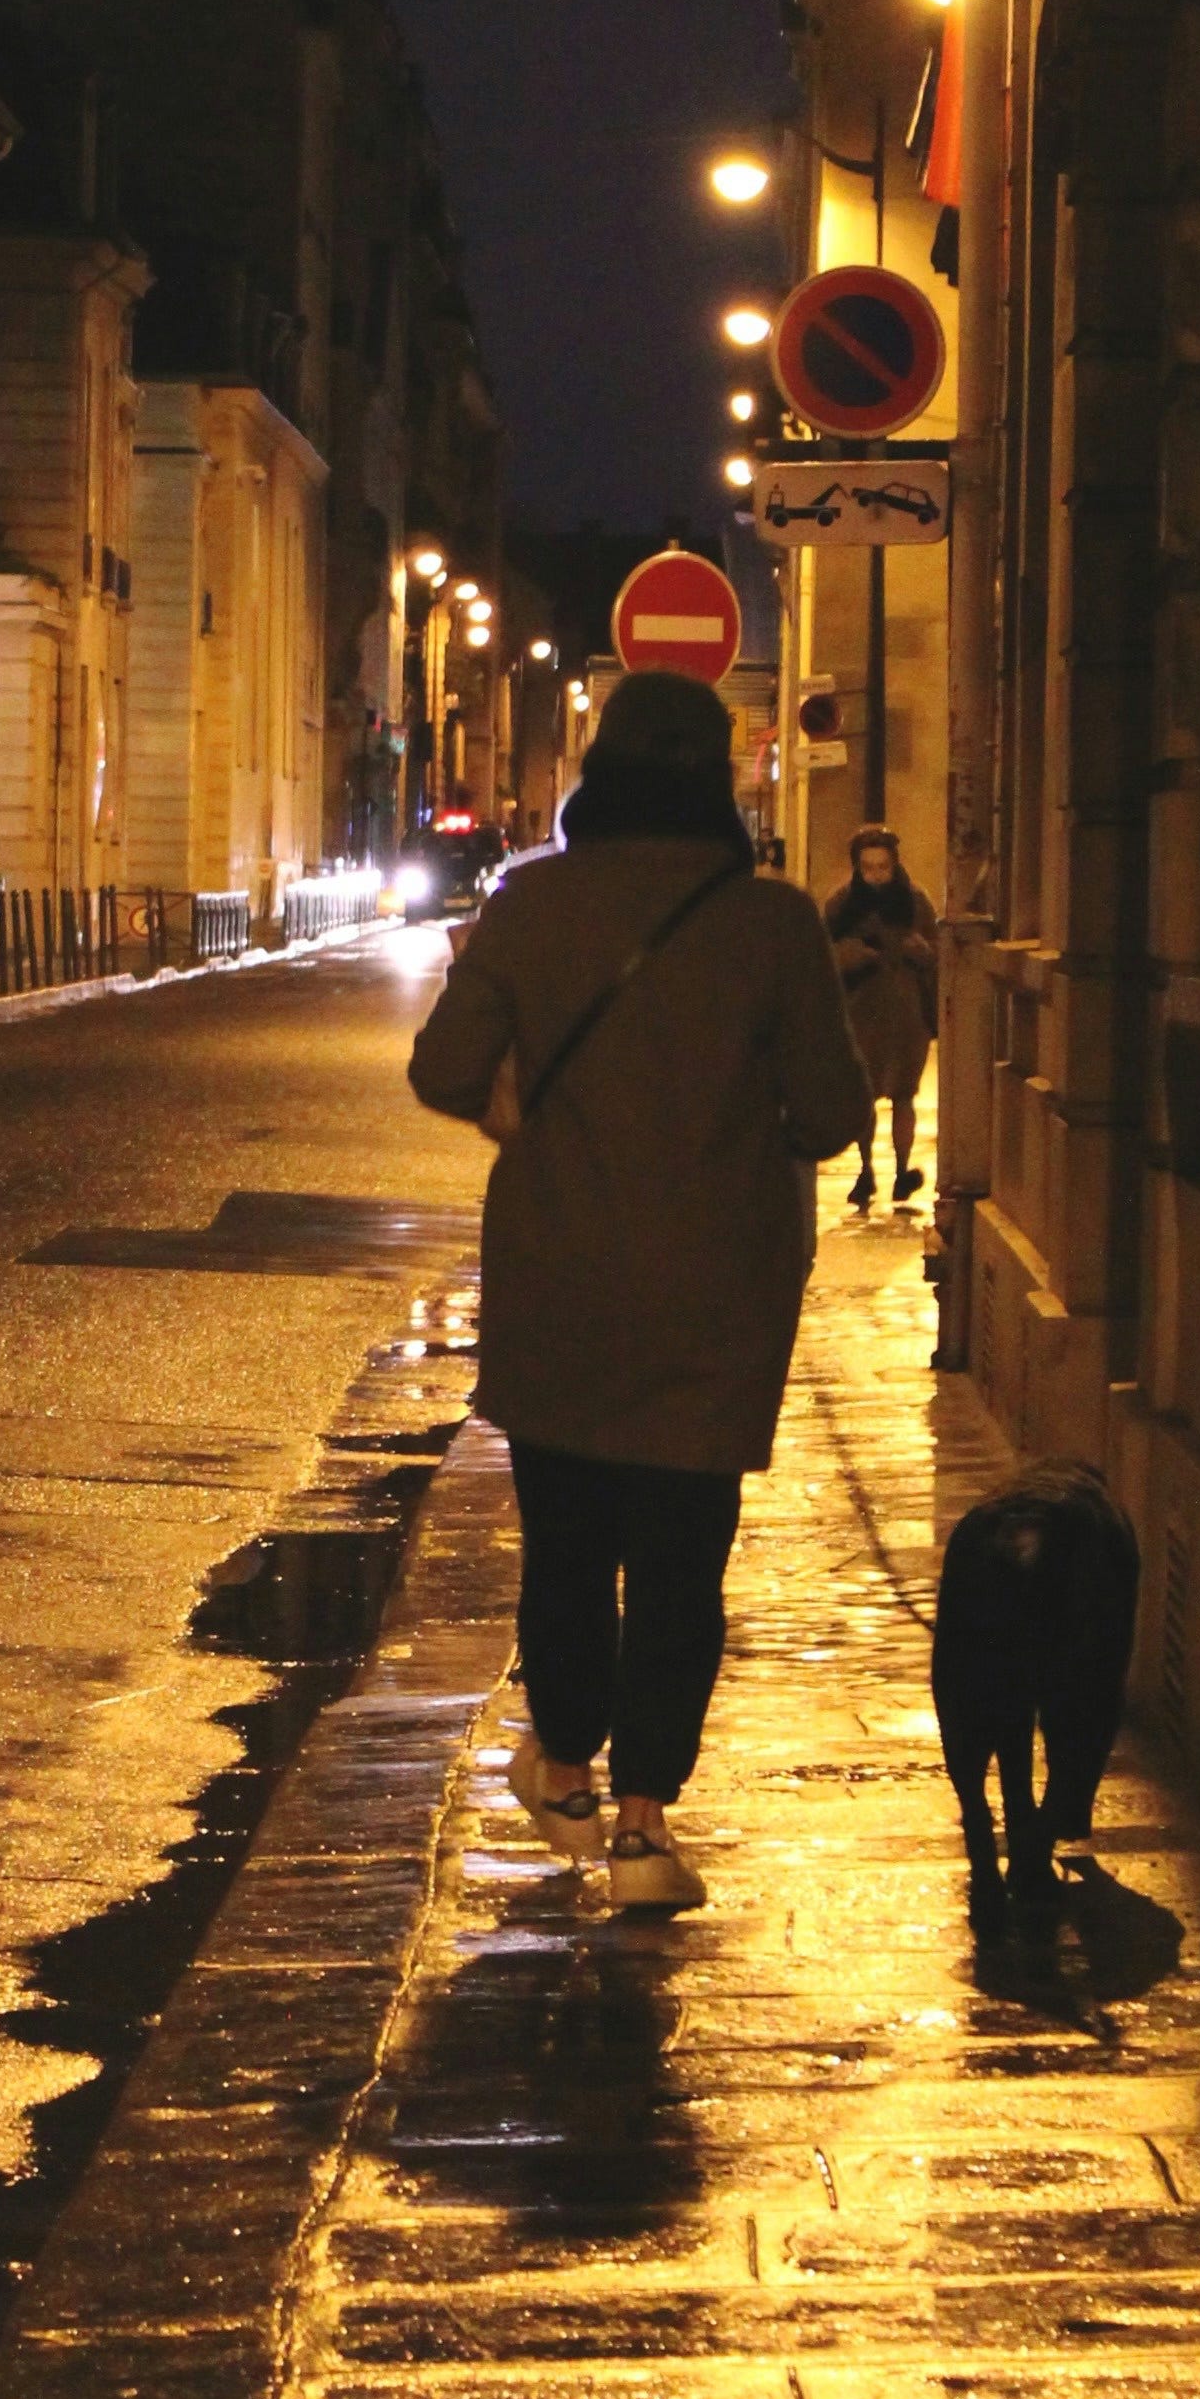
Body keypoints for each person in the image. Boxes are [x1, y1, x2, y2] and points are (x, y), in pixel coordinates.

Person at [408, 668, 870, 1911]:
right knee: (680, 1566)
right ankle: (643, 1829)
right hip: (718, 1299)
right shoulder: (773, 923)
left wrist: (524, 1112)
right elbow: (832, 1113)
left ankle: (563, 1768)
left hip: (559, 1279)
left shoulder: (532, 902)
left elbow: (444, 1065)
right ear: (717, 778)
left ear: (598, 774)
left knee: (565, 1547)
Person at [821, 824, 937, 1209]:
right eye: (868, 867)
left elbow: (939, 953)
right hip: (860, 1013)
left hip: (906, 1016)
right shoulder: (841, 904)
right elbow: (821, 956)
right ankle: (866, 1169)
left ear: (894, 864)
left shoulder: (915, 902)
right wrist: (849, 956)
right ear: (857, 866)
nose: (876, 876)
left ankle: (902, 1170)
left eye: (882, 867)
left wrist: (921, 952)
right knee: (864, 1095)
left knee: (905, 1094)